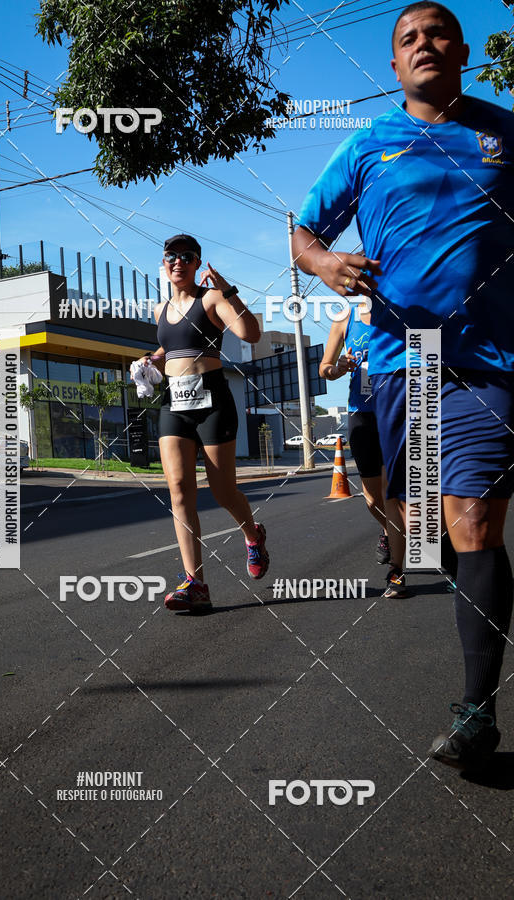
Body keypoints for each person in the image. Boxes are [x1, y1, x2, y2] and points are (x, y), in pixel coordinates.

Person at [292, 2, 514, 770]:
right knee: (428, 534)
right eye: (407, 38)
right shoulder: (367, 145)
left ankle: (477, 713)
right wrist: (327, 265)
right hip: (397, 360)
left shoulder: (505, 134)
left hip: (489, 360)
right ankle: (482, 597)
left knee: (473, 513)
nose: (423, 44)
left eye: (436, 33)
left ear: (462, 51)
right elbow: (304, 231)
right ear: (394, 65)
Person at [134, 234, 269, 613]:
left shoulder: (210, 299)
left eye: (186, 256)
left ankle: (252, 534)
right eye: (171, 256)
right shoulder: (160, 311)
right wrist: (149, 361)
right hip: (174, 402)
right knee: (178, 489)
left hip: (212, 400)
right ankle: (196, 584)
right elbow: (172, 347)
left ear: (197, 264)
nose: (178, 262)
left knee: (222, 491)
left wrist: (228, 290)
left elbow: (251, 333)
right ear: (164, 264)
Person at [319, 301, 409, 596]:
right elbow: (324, 367)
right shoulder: (345, 317)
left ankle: (396, 571)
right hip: (361, 412)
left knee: (392, 492)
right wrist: (337, 368)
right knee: (372, 498)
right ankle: (395, 534)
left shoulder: (399, 310)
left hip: (398, 409)